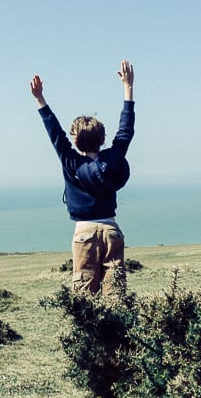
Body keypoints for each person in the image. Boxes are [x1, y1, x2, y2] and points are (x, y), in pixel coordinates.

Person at [30, 60, 135, 296]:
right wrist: (128, 88)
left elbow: (54, 132)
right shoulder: (114, 159)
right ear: (103, 138)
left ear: (75, 141)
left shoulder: (71, 161)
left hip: (84, 233)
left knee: (85, 302)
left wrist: (40, 99)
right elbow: (126, 130)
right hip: (111, 231)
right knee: (115, 298)